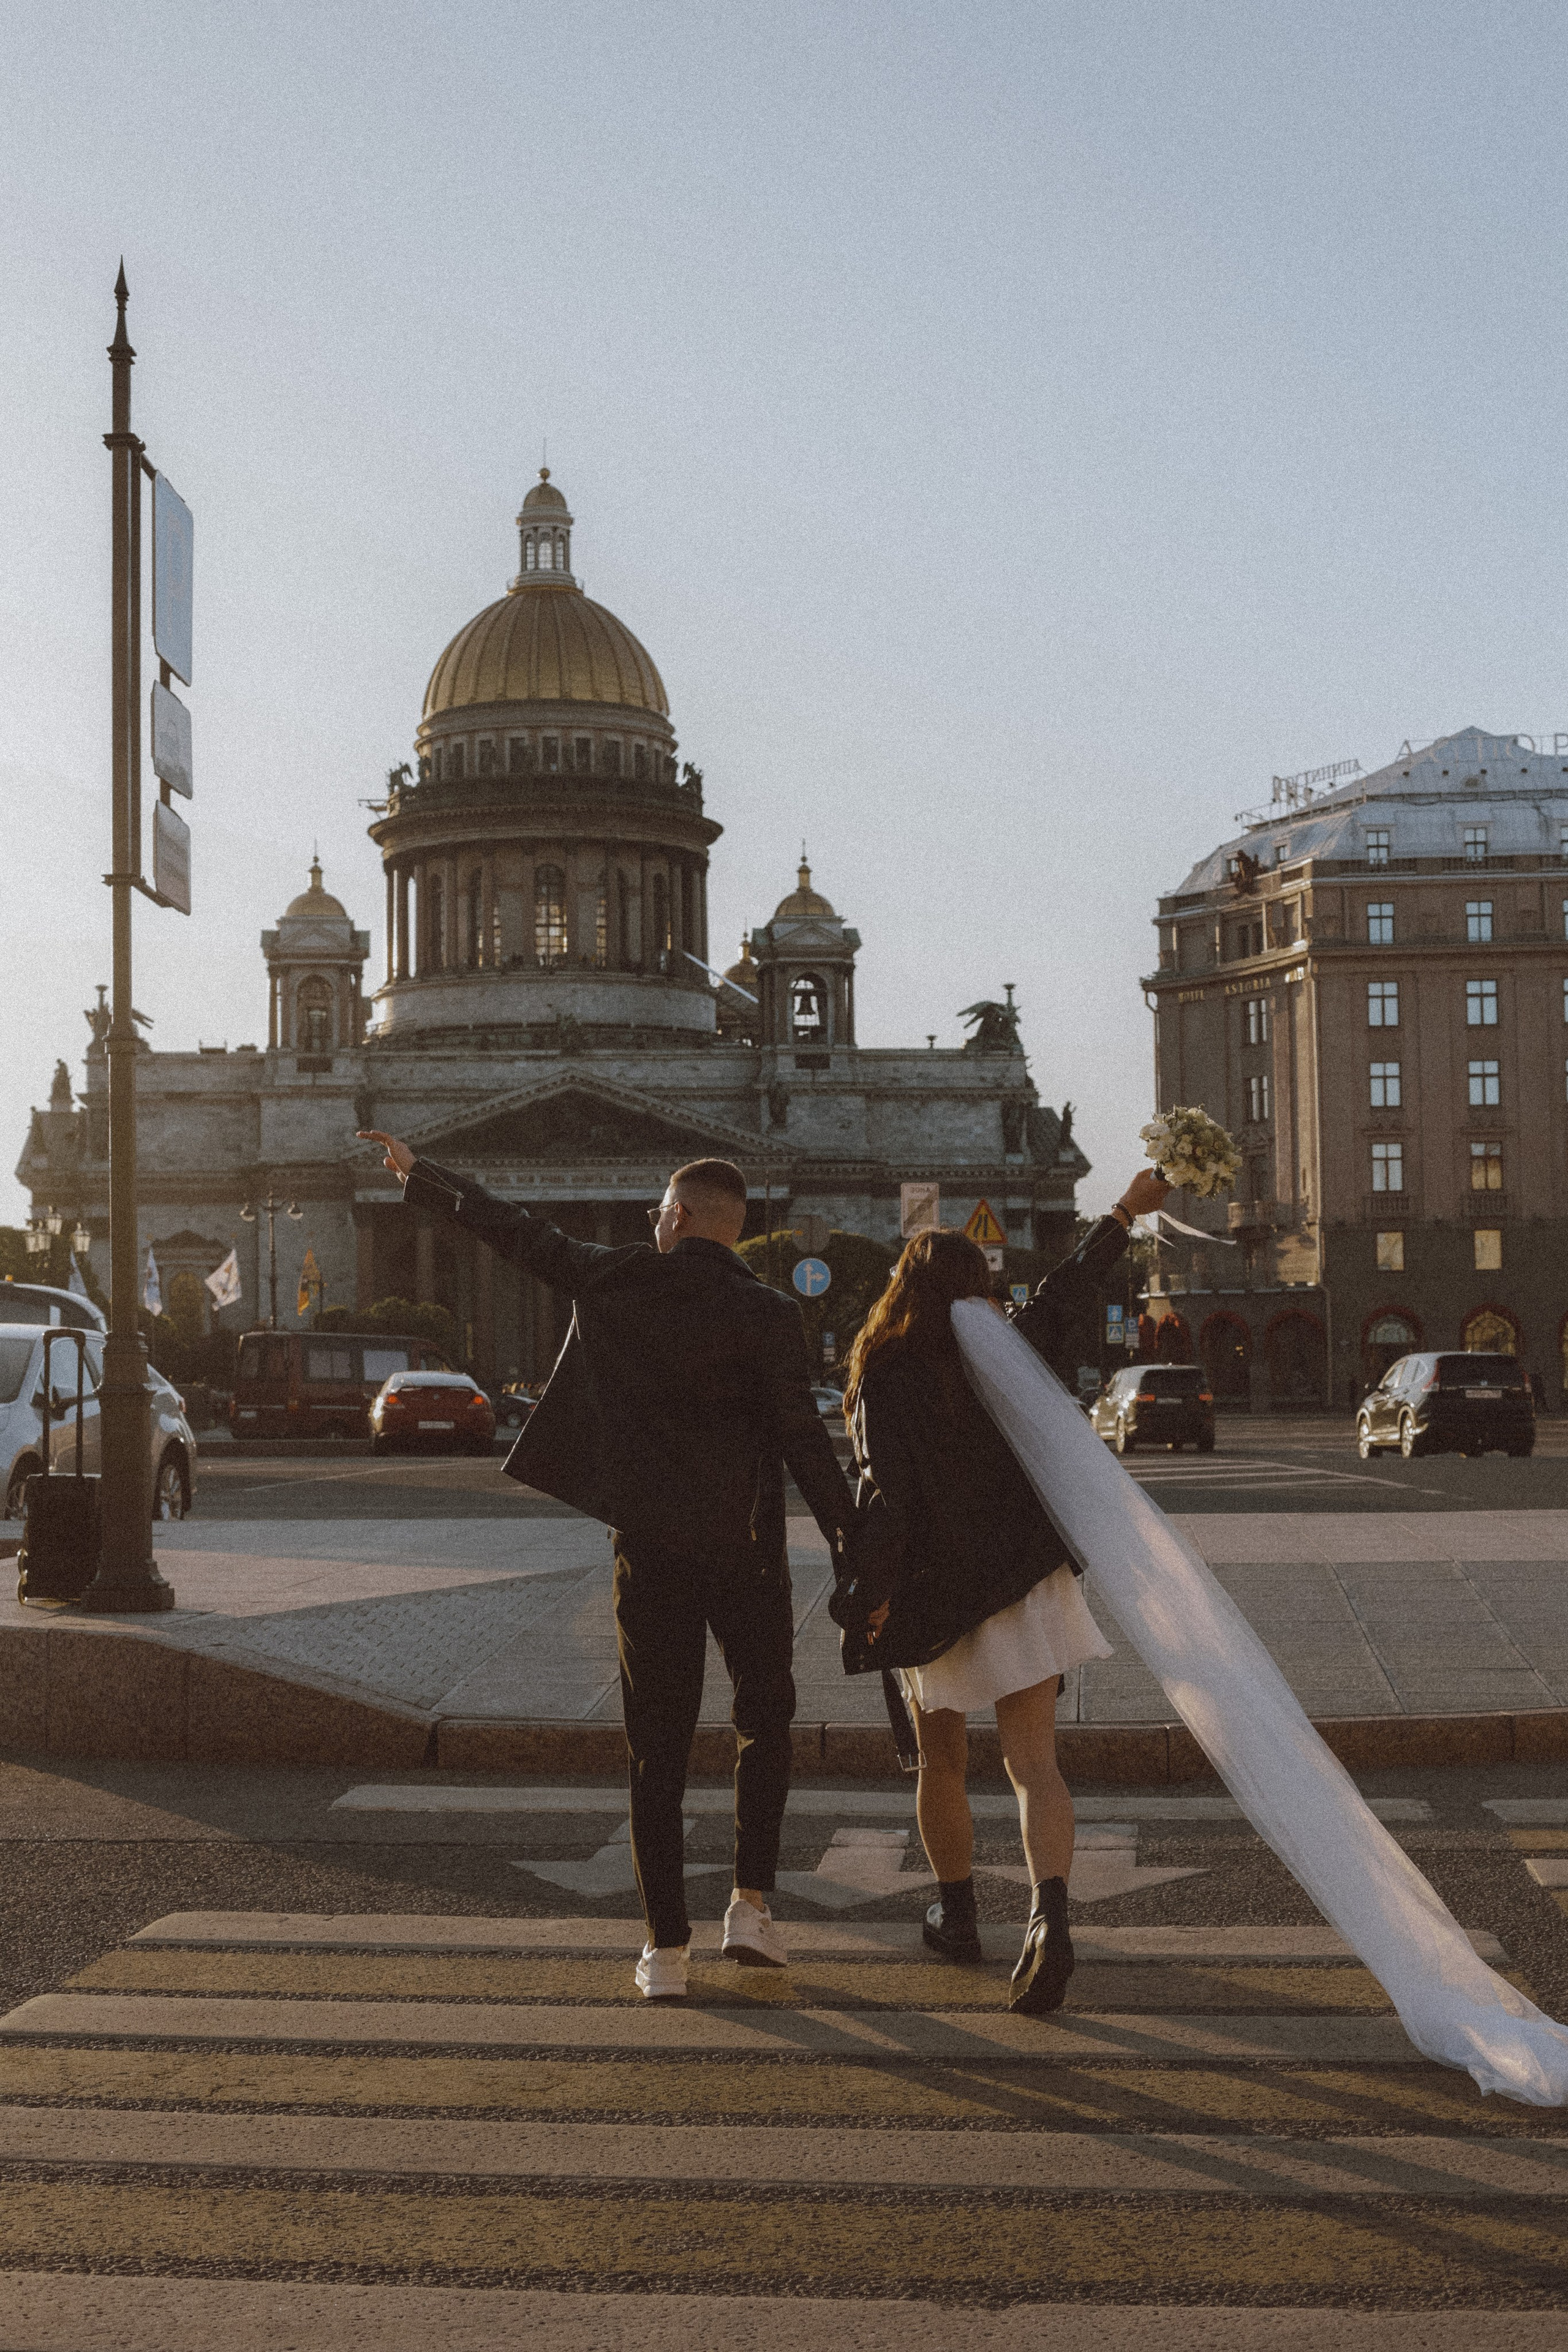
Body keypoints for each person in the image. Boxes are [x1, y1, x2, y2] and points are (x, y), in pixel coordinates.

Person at [357, 1132, 858, 1999]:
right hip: (747, 1552)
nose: (653, 1221)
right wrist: (855, 1542)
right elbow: (803, 1442)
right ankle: (752, 1908)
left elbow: (516, 1234)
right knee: (763, 1721)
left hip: (652, 1551)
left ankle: (666, 1950)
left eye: (659, 1210)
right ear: (735, 1229)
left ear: (678, 1218)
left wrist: (423, 1178)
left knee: (654, 1751)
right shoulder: (773, 1315)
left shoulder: (620, 1279)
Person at [842, 1167, 1170, 2013]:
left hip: (933, 1595)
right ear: (976, 1289)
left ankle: (958, 1920)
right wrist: (1127, 1211)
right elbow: (1069, 1289)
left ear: (900, 1289)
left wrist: (871, 1597)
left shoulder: (886, 1367)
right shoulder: (1010, 1350)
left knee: (941, 1763)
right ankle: (1049, 1923)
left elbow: (887, 1492)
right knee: (1035, 1767)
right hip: (1025, 1585)